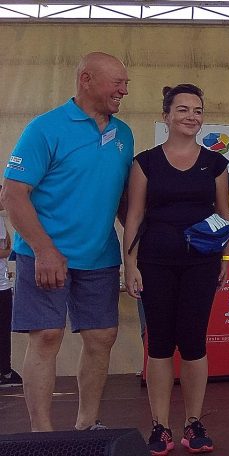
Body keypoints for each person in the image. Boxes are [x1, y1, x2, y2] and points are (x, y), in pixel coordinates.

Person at [0, 52, 133, 431]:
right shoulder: (45, 128)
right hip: (43, 255)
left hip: (100, 255)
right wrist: (44, 250)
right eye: (117, 83)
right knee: (46, 337)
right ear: (86, 79)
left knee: (102, 337)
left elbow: (124, 201)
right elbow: (13, 194)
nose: (124, 91)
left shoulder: (123, 134)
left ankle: (86, 426)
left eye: (126, 84)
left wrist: (137, 254)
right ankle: (41, 435)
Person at [123, 84, 229, 455]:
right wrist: (130, 264)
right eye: (182, 109)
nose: (191, 117)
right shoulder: (145, 163)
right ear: (166, 116)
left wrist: (223, 259)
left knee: (194, 341)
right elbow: (134, 216)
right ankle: (160, 426)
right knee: (160, 343)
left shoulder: (216, 164)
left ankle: (194, 423)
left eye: (197, 111)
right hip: (154, 263)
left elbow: (224, 216)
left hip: (201, 264)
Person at [0, 190, 22, 388]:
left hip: (4, 284)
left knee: (5, 329)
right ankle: (4, 371)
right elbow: (6, 249)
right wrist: (7, 251)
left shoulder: (2, 220)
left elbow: (8, 244)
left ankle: (5, 370)